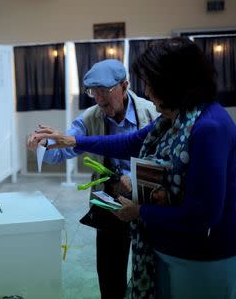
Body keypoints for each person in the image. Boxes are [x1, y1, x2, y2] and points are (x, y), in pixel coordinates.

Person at [30, 37, 236, 299]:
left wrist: (140, 210)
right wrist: (72, 140)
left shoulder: (206, 128)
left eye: (151, 83)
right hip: (172, 247)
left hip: (207, 255)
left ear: (172, 83)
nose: (146, 91)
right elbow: (131, 142)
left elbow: (202, 214)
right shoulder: (176, 118)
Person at [27, 59, 159, 299]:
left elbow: (163, 159)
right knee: (110, 275)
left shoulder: (151, 112)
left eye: (105, 91)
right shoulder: (92, 117)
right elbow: (67, 145)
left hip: (148, 203)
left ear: (124, 85)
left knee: (150, 271)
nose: (99, 99)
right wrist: (44, 145)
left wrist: (133, 177)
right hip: (109, 203)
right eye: (93, 92)